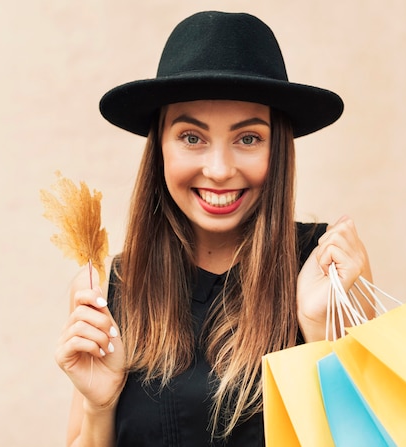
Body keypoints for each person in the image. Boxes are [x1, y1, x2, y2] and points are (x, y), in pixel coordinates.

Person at [55, 10, 372, 447]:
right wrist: (99, 406)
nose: (220, 170)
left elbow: (374, 434)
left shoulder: (326, 272)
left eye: (248, 138)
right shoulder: (112, 287)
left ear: (276, 147)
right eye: (192, 137)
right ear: (160, 147)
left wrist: (322, 333)